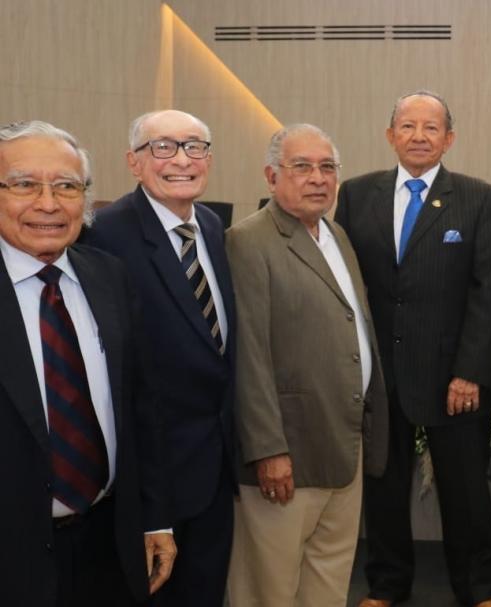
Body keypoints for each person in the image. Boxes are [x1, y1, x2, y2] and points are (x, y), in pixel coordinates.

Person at [335, 90, 491, 607]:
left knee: (467, 496)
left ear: (449, 139)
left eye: (430, 128)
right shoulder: (355, 194)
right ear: (390, 136)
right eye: (407, 127)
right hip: (380, 377)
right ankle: (386, 585)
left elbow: (489, 291)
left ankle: (477, 589)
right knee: (384, 493)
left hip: (453, 377)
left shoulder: (480, 198)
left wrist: (470, 371)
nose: (418, 136)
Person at [0, 120, 175, 605]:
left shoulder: (108, 277)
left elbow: (141, 407)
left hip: (108, 541)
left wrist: (154, 517)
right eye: (23, 185)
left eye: (67, 186)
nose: (49, 203)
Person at [225, 124, 389, 606]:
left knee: (328, 581)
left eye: (327, 167)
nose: (318, 178)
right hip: (286, 456)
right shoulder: (248, 241)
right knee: (267, 588)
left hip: (343, 445)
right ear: (272, 175)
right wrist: (267, 450)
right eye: (303, 167)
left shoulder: (336, 234)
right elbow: (249, 355)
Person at [83, 109, 236, 607]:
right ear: (133, 162)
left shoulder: (211, 225)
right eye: (163, 148)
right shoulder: (103, 235)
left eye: (195, 146)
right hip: (151, 477)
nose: (182, 160)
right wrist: (151, 508)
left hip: (214, 467)